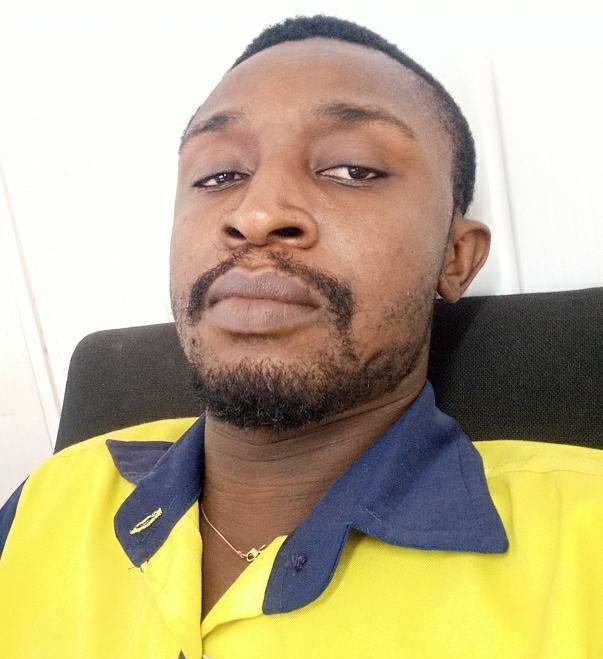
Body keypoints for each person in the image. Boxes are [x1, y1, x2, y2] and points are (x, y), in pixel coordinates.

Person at [0, 14, 602, 659]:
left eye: (352, 169)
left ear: (456, 258)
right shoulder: (47, 500)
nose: (256, 214)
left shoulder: (581, 540)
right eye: (219, 176)